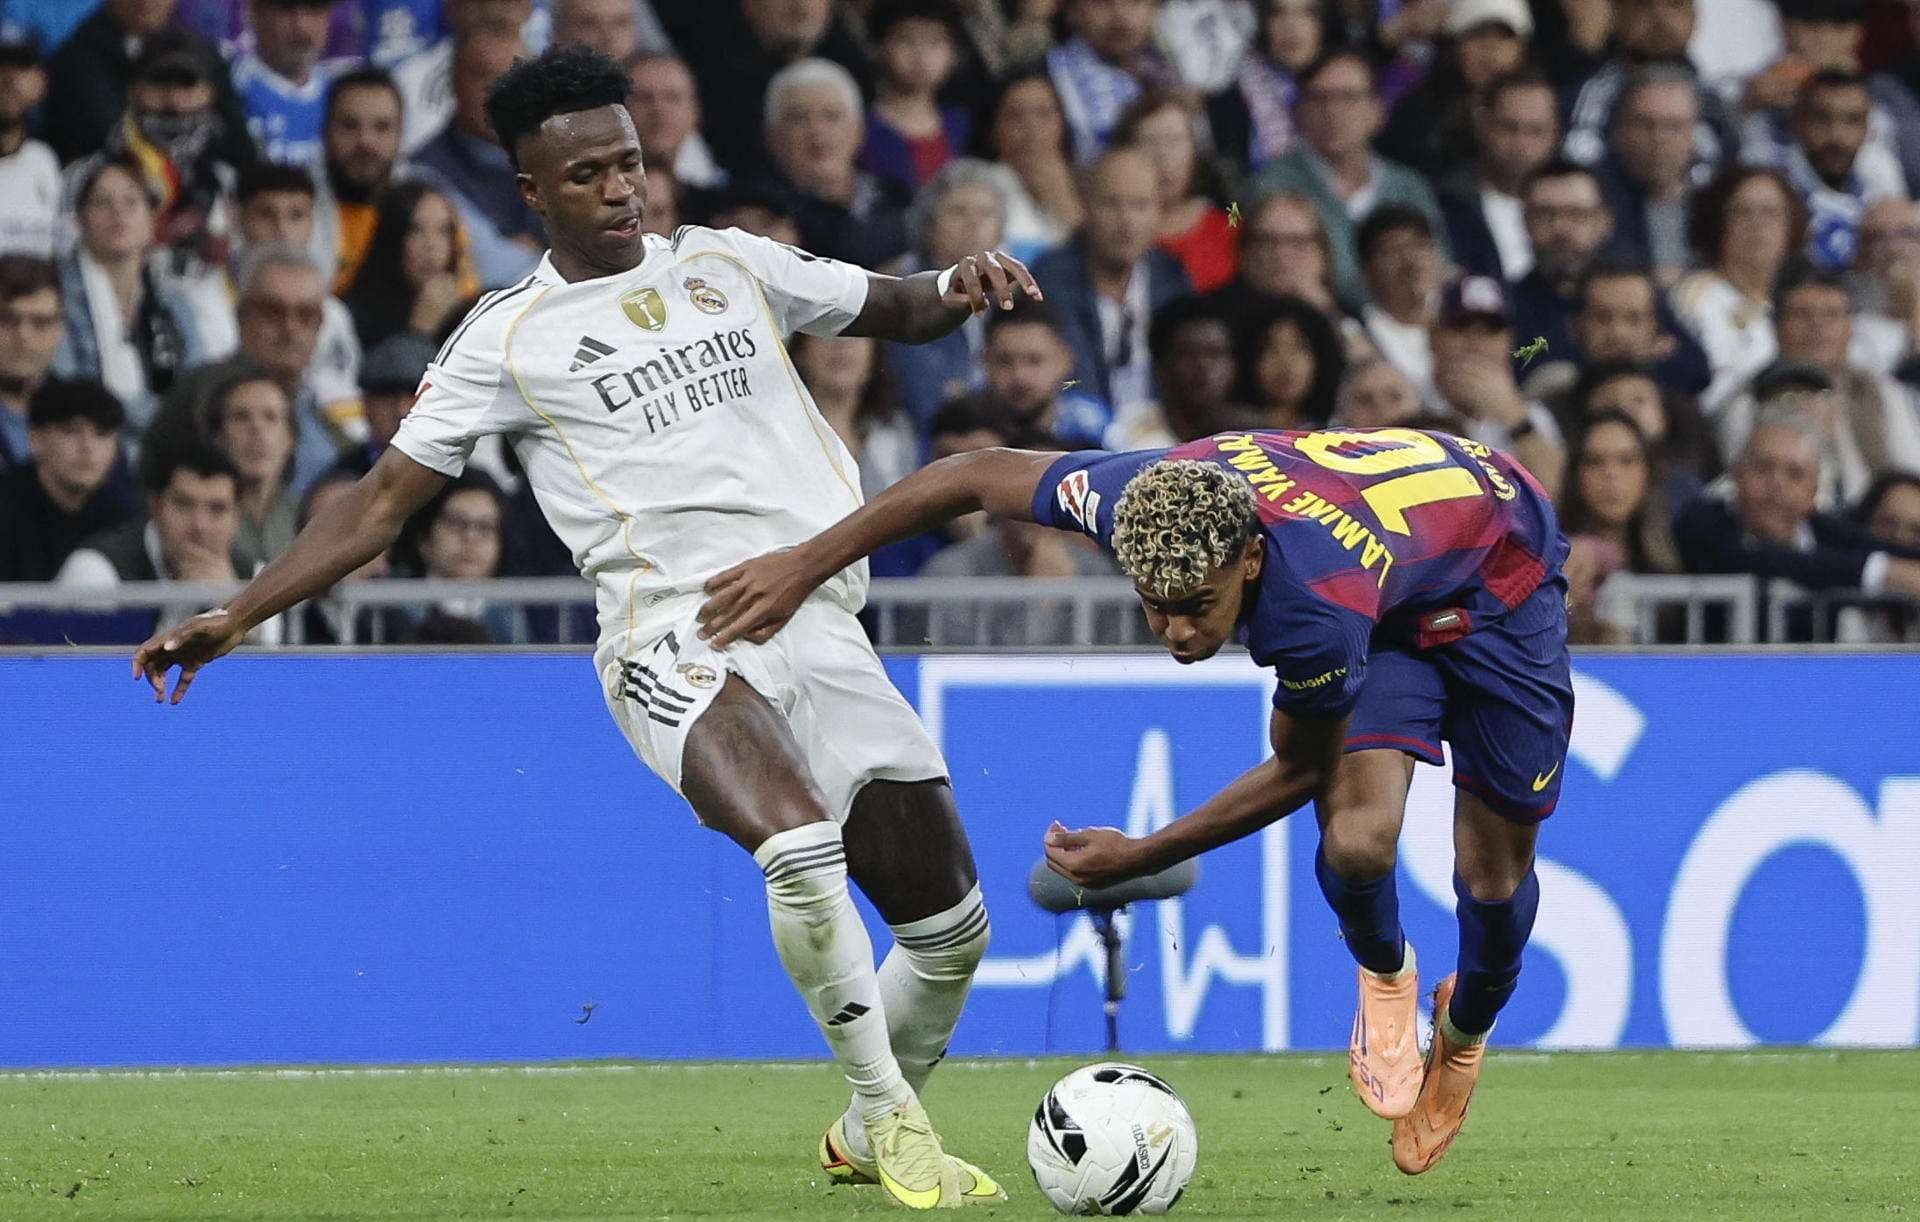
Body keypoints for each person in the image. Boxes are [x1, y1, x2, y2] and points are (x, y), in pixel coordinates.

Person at [131, 45, 1041, 1210]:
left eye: (632, 163)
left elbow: (893, 305)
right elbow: (378, 505)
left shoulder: (727, 261)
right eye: (590, 175)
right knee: (801, 850)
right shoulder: (508, 336)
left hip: (820, 613)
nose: (622, 189)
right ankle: (896, 1125)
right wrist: (238, 611)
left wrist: (961, 281)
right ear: (532, 192)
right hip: (678, 633)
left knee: (951, 929)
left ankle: (868, 1128)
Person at [701, 415, 1576, 1184]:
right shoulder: (1129, 499)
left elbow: (1301, 768)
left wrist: (1144, 854)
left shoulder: (1312, 605)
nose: (1180, 634)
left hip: (1498, 580)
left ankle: (1463, 1034)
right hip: (1393, 568)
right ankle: (1387, 978)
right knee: (1357, 844)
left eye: (1198, 607)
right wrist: (806, 563)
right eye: (1154, 608)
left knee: (1491, 882)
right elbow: (967, 474)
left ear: (1252, 558)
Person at [1675, 402, 1920, 637]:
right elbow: (1761, 559)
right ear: (1737, 475)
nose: (1776, 484)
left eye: (1795, 474)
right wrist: (1882, 572)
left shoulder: (1823, 528)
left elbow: (1879, 549)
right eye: (1762, 468)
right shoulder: (1702, 521)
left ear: (1814, 489)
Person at [1250, 49, 1448, 307]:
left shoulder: (1410, 187)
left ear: (1377, 111)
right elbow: (1234, 228)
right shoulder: (1268, 185)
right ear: (1299, 111)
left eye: (1348, 98)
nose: (1333, 111)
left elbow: (1440, 267)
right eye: (1319, 98)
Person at [1031, 147, 1191, 416]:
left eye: (1139, 205)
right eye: (1112, 203)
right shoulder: (1049, 280)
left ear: (1158, 211)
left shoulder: (1173, 278)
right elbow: (1066, 383)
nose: (1126, 221)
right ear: (1086, 206)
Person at [55, 156, 211, 430]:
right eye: (102, 202)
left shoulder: (175, 302)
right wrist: (158, 419)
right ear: (81, 220)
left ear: (152, 221)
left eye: (131, 202)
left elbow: (197, 384)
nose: (118, 213)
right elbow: (70, 386)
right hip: (90, 435)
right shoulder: (58, 298)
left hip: (168, 442)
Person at [411, 26, 544, 290]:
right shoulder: (424, 172)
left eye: (510, 78)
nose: (496, 92)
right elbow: (494, 267)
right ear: (453, 83)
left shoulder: (555, 152)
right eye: (481, 76)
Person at [885, 158, 1015, 425]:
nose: (973, 225)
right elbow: (927, 398)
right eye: (958, 212)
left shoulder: (1012, 291)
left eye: (985, 213)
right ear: (929, 223)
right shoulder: (905, 287)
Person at [1670, 164, 1807, 410]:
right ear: (1716, 222)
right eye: (1742, 212)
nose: (1757, 225)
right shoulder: (1696, 298)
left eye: (1771, 213)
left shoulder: (1793, 300)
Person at [756, 58, 911, 272]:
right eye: (799, 118)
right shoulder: (757, 214)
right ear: (771, 135)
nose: (817, 131)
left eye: (832, 117)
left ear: (859, 130)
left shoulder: (899, 199)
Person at [1557, 409, 1682, 643]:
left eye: (1626, 460)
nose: (1611, 474)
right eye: (1595, 462)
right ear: (1575, 475)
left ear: (1649, 472)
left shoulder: (1684, 548)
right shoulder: (1551, 556)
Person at [1377, 0, 1531, 185]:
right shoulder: (1418, 114)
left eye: (1504, 36)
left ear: (1522, 48)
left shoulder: (1544, 109)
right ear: (1455, 45)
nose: (1490, 48)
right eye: (1477, 34)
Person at [0, 378, 137, 581]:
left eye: (102, 434)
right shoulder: (6, 507)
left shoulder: (131, 512)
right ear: (35, 439)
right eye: (71, 431)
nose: (88, 448)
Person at [1438, 68, 1559, 283]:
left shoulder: (1576, 202)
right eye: (1509, 128)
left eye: (1536, 130)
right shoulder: (1445, 203)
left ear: (1555, 136)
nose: (1521, 143)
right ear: (1483, 126)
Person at [1114, 88, 1235, 293]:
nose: (1163, 155)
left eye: (1174, 141)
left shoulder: (1230, 221)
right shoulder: (1115, 228)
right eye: (1149, 141)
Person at [340, 182, 479, 352]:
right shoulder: (350, 318)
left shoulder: (468, 314)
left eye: (443, 231)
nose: (431, 245)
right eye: (416, 230)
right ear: (393, 238)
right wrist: (420, 333)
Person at [858, 0, 970, 197]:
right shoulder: (859, 128)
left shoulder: (964, 126)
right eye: (906, 40)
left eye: (935, 42)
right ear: (879, 47)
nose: (921, 55)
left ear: (953, 55)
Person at [791, 332, 919, 501]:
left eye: (855, 334)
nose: (841, 346)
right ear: (801, 351)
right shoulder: (781, 433)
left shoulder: (896, 431)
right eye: (827, 331)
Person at [1205, 0, 1328, 174]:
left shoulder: (1352, 87)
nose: (1291, 26)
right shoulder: (1231, 96)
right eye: (1277, 13)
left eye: (1307, 13)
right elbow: (1230, 189)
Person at [230, 0, 358, 165]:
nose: (301, 26)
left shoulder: (343, 95)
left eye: (314, 9)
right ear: (255, 13)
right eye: (286, 8)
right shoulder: (229, 87)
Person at [313, 67, 406, 293]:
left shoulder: (430, 207)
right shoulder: (291, 209)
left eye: (382, 127)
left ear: (400, 136)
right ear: (324, 131)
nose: (366, 142)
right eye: (349, 126)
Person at [973, 66, 1081, 260]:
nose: (1032, 129)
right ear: (993, 129)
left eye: (1044, 114)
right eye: (1016, 116)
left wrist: (1063, 201)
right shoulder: (977, 184)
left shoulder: (1087, 184)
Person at [1046, 0, 1172, 163]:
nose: (1120, 16)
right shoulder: (1045, 79)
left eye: (1134, 2)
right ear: (1072, 12)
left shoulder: (1177, 74)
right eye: (1102, 3)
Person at [978, 301, 1113, 449]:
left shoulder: (1094, 428)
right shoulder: (962, 432)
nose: (1019, 376)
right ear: (984, 360)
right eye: (1004, 360)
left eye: (1034, 360)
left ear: (1065, 360)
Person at [203, 368, 300, 563]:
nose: (257, 429)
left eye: (270, 417)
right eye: (241, 417)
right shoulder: (198, 517)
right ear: (218, 437)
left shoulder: (310, 517)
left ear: (290, 439)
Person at [1356, 205, 1442, 401]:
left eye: (1419, 245)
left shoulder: (1465, 320)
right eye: (1393, 250)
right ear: (1367, 272)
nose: (1411, 261)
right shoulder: (1360, 336)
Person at [1235, 292, 1342, 428]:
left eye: (1298, 347)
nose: (1285, 362)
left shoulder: (1335, 434)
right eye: (1271, 348)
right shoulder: (1228, 434)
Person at [625, 52, 725, 194]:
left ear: (695, 112)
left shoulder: (720, 191)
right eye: (644, 98)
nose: (659, 109)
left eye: (673, 98)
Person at [0, 254, 65, 469]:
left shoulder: (82, 410)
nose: (23, 336)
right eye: (6, 319)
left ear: (60, 330)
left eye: (40, 322)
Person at [0, 32, 59, 258]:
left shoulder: (45, 161)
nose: (9, 78)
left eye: (22, 66)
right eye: (1, 65)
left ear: (41, 82)